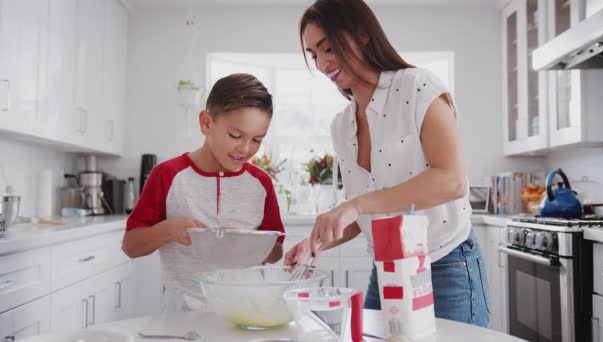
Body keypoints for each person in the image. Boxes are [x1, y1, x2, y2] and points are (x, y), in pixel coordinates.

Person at [284, 0, 490, 327]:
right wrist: (315, 243)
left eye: (328, 47)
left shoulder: (419, 86)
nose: (322, 63)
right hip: (386, 271)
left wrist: (355, 204)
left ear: (362, 34)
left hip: (444, 265)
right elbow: (364, 213)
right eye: (314, 54)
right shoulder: (342, 125)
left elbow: (452, 180)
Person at [122, 73, 285, 312]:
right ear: (206, 123)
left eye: (257, 140)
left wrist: (247, 243)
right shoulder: (167, 175)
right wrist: (169, 229)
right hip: (182, 313)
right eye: (235, 135)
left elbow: (275, 253)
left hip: (246, 312)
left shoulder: (261, 183)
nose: (246, 149)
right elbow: (131, 246)